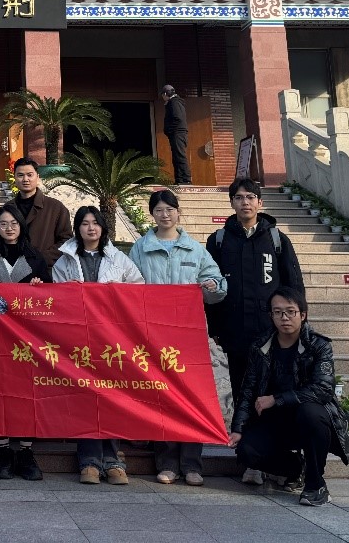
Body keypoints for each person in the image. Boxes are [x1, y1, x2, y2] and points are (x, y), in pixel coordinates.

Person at [206, 177, 305, 486]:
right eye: (239, 197)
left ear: (260, 202)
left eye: (250, 197)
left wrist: (295, 327)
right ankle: (251, 462)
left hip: (272, 336)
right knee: (242, 395)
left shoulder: (276, 239)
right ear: (231, 203)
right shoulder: (219, 240)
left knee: (273, 397)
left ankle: (278, 461)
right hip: (235, 334)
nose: (245, 202)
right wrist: (215, 328)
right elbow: (210, 289)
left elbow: (294, 285)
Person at [128, 189, 227, 487]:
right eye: (159, 210)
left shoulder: (195, 250)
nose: (165, 214)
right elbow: (129, 286)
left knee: (192, 398)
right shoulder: (140, 249)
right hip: (153, 335)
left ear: (178, 212)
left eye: (170, 209)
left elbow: (218, 285)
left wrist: (212, 286)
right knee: (162, 397)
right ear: (152, 214)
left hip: (189, 335)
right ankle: (168, 463)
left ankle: (192, 464)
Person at [228, 287, 349, 507]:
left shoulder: (319, 346)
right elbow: (248, 389)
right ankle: (296, 468)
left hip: (309, 420)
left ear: (302, 315)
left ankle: (316, 484)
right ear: (271, 315)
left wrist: (276, 399)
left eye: (290, 311)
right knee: (247, 452)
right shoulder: (260, 347)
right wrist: (238, 428)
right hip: (274, 421)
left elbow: (323, 389)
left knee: (310, 412)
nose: (284, 317)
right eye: (277, 312)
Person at [51, 205, 144, 486]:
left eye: (95, 223)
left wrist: (118, 291)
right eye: (85, 223)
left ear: (103, 227)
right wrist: (68, 292)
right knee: (86, 399)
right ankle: (89, 461)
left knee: (112, 398)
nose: (90, 228)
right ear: (77, 228)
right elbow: (55, 299)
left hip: (112, 340)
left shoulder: (119, 259)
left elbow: (139, 289)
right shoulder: (64, 262)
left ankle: (113, 460)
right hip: (80, 340)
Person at [0, 201, 50, 481]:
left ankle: (26, 451)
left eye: (14, 223)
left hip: (28, 340)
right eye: (3, 223)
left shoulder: (35, 258)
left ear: (21, 226)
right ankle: (4, 450)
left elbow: (50, 298)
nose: (8, 228)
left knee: (29, 393)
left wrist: (40, 289)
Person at [10, 157, 72, 267]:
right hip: (14, 270)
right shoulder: (8, 208)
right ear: (14, 177)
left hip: (45, 271)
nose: (25, 179)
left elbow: (66, 241)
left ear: (37, 177)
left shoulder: (55, 207)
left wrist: (41, 258)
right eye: (20, 175)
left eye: (30, 175)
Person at [161, 85, 191, 185]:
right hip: (176, 133)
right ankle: (179, 179)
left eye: (163, 95)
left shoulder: (174, 102)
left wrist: (169, 130)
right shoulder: (173, 102)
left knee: (180, 156)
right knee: (176, 157)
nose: (162, 97)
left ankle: (186, 179)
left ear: (166, 94)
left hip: (177, 133)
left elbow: (177, 118)